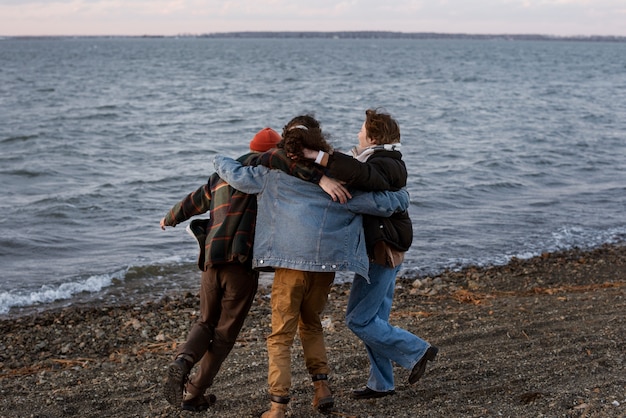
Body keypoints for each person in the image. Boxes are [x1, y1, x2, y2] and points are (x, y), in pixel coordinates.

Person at [213, 115, 410, 418]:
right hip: (324, 268)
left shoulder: (270, 174)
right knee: (311, 325)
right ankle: (322, 390)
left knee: (280, 335)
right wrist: (401, 196)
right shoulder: (340, 178)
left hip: (289, 266)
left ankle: (278, 406)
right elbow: (382, 203)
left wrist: (218, 157)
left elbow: (233, 170)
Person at [303, 109, 438, 399]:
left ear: (374, 137)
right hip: (388, 251)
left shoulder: (383, 162)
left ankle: (418, 350)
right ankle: (382, 383)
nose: (357, 134)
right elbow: (359, 173)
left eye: (361, 130)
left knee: (358, 319)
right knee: (375, 320)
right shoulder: (382, 160)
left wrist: (337, 187)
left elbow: (364, 182)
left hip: (383, 253)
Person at [159, 127, 282, 412]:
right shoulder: (269, 178)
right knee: (224, 335)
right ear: (273, 153)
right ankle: (193, 393)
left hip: (211, 260)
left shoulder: (220, 176)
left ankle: (182, 361)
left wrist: (169, 218)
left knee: (204, 321)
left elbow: (193, 202)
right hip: (240, 265)